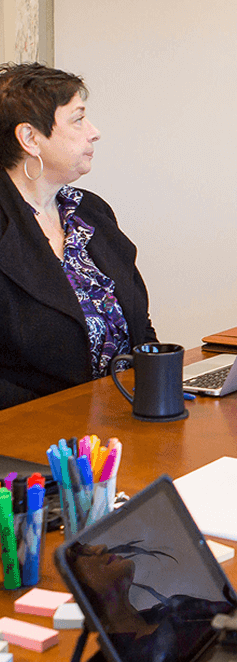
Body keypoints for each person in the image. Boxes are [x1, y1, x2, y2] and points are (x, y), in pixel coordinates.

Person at [0, 63, 156, 410]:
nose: (94, 132)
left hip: (123, 417)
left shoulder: (91, 212)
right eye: (77, 119)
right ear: (30, 138)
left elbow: (139, 326)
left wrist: (160, 387)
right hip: (33, 437)